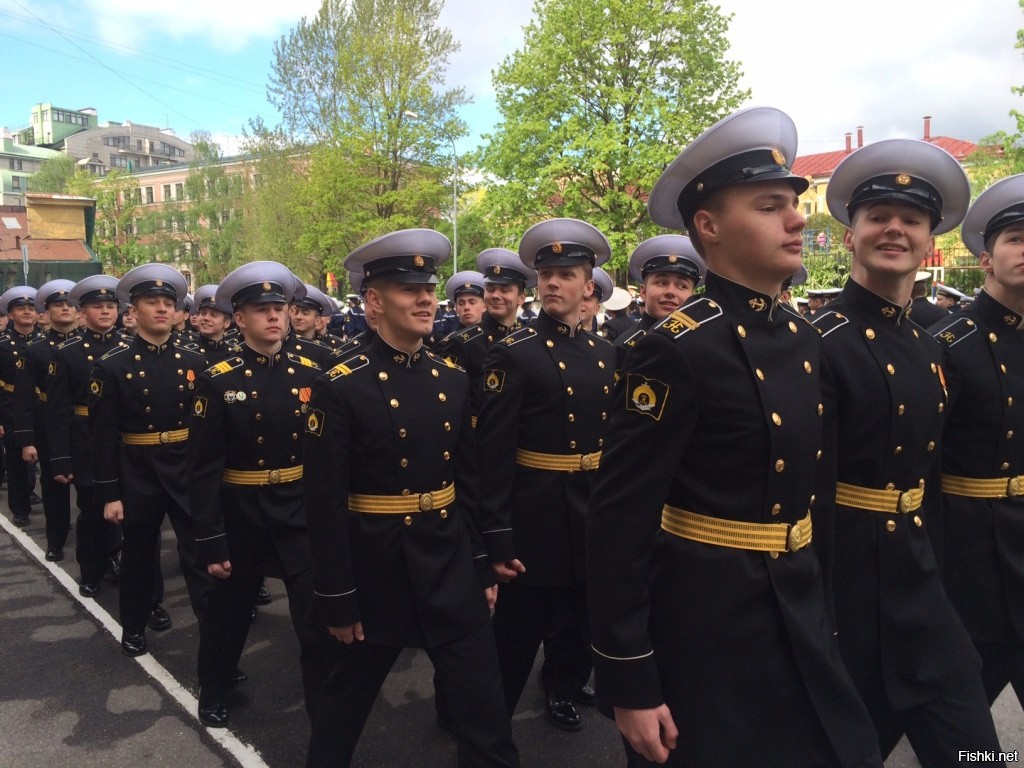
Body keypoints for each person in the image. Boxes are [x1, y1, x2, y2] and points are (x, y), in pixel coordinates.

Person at [587, 106, 882, 768]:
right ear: (710, 227)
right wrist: (628, 676)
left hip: (798, 604)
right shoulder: (676, 350)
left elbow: (817, 496)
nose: (798, 219)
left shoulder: (806, 339)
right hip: (707, 626)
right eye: (771, 205)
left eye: (793, 205)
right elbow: (620, 520)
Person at [812, 138, 1002, 765]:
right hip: (842, 584)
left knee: (975, 748)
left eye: (912, 221)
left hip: (921, 584)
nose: (894, 229)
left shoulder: (931, 347)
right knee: (846, 747)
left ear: (930, 246)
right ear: (850, 237)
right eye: (877, 217)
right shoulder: (816, 342)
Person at [303, 229, 518, 768]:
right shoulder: (339, 384)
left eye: (429, 288)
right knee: (343, 709)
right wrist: (336, 596)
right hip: (375, 565)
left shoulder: (451, 378)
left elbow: (468, 482)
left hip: (447, 559)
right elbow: (323, 502)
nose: (427, 299)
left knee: (485, 710)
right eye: (409, 289)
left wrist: (483, 566)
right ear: (374, 302)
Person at [476, 218, 616, 732]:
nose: (553, 283)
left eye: (566, 274)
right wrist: (496, 534)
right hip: (535, 519)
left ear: (589, 286)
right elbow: (491, 455)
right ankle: (486, 730)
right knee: (515, 636)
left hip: (591, 510)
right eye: (546, 274)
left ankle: (561, 688)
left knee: (583, 622)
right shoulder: (513, 354)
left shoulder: (608, 356)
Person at [188, 261, 332, 728]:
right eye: (261, 310)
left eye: (279, 308)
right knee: (228, 612)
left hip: (298, 507)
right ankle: (213, 686)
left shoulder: (314, 369)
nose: (273, 317)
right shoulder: (218, 379)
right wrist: (209, 541)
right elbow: (204, 468)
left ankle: (324, 706)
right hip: (242, 511)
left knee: (313, 615)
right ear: (240, 319)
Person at [930, 172, 1024, 710]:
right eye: (1015, 239)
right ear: (985, 259)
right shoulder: (947, 344)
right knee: (963, 730)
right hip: (968, 565)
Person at [88, 264, 214, 657]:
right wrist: (109, 493)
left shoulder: (195, 362)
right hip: (138, 468)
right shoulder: (112, 365)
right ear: (134, 310)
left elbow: (208, 428)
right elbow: (102, 436)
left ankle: (216, 642)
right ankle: (135, 624)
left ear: (178, 312)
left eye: (167, 303)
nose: (161, 309)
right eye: (151, 302)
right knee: (139, 555)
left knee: (200, 556)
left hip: (184, 465)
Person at [45, 275, 124, 596]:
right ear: (82, 312)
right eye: (97, 306)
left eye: (110, 306)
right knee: (92, 510)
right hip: (85, 439)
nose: (105, 312)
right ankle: (90, 569)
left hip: (122, 441)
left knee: (123, 509)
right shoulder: (67, 353)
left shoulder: (129, 348)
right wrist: (61, 458)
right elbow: (56, 412)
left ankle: (113, 557)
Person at [12, 279, 78, 561]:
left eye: (69, 304)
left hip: (86, 425)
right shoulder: (36, 350)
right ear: (47, 312)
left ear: (78, 311)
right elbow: (24, 398)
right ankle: (56, 541)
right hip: (49, 426)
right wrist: (26, 439)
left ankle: (106, 550)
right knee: (55, 489)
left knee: (94, 491)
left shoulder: (88, 346)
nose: (65, 308)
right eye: (58, 305)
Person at [613, 234, 705, 373]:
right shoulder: (625, 348)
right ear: (643, 292)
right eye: (662, 283)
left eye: (682, 286)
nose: (671, 292)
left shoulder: (703, 344)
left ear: (692, 296)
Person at [0, 285, 43, 527]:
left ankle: (53, 508)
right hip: (12, 405)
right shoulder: (3, 344)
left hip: (43, 405)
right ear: (11, 314)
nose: (27, 312)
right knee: (17, 459)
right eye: (21, 308)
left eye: (31, 308)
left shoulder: (46, 342)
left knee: (47, 459)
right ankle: (20, 507)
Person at [190, 284, 239, 365]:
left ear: (226, 323)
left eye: (213, 315)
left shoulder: (235, 353)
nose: (206, 318)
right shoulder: (187, 351)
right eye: (203, 313)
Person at [580, 266, 614, 335]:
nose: (579, 303)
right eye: (577, 298)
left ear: (596, 309)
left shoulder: (602, 345)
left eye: (586, 299)